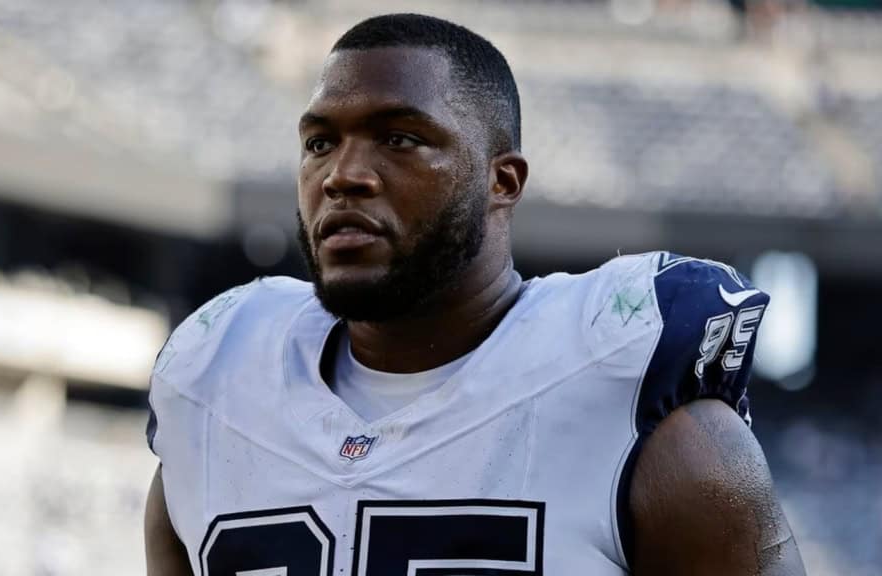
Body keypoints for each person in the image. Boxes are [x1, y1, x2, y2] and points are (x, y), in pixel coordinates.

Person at [144, 13, 805, 576]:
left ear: (502, 181)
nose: (342, 176)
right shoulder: (214, 385)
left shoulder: (640, 407)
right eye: (320, 143)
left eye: (399, 139)